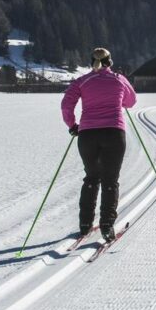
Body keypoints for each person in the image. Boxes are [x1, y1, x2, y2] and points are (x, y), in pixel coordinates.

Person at [60, 47, 137, 241]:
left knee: (92, 177)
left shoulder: (82, 81)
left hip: (87, 134)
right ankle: (106, 226)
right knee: (110, 180)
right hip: (114, 132)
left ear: (91, 61)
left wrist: (72, 125)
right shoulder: (119, 79)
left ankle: (85, 224)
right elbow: (131, 101)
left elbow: (66, 104)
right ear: (110, 62)